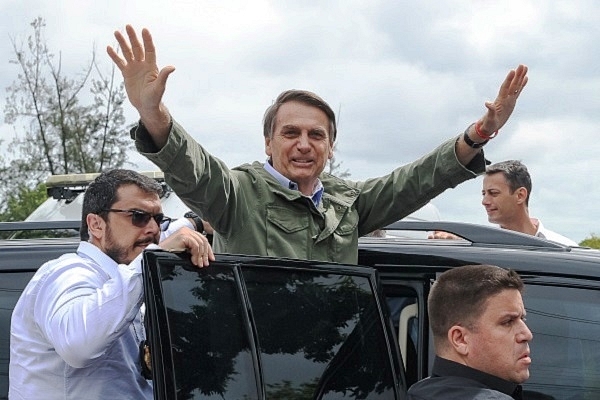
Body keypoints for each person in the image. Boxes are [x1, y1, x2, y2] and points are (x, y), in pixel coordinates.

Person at [107, 24, 529, 264]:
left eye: (317, 135)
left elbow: (416, 181)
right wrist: (154, 114)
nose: (304, 144)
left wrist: (480, 133)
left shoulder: (348, 203)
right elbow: (192, 167)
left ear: (331, 147)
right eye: (291, 133)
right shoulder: (237, 195)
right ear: (268, 143)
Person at [9, 169, 214, 399]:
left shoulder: (126, 277)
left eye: (158, 219)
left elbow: (162, 234)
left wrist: (196, 223)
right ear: (96, 225)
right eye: (138, 216)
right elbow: (78, 345)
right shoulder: (65, 274)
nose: (154, 229)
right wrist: (153, 258)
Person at [407, 264, 532, 400]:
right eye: (507, 322)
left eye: (522, 318)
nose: (527, 334)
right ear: (460, 339)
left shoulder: (419, 392)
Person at [429, 160, 577, 245]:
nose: (484, 201)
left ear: (520, 195)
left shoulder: (564, 247)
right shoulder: (480, 248)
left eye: (493, 193)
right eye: (483, 193)